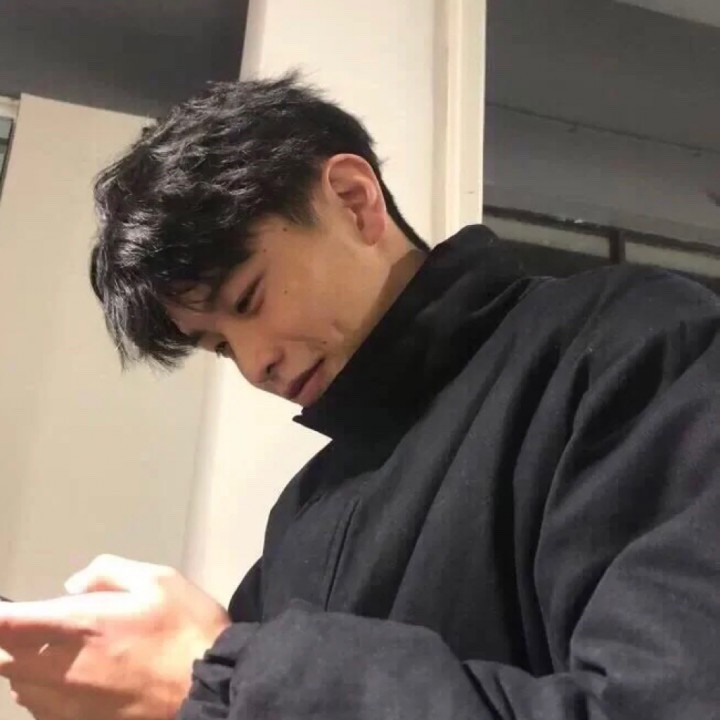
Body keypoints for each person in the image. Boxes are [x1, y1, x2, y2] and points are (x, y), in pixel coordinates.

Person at [1, 73, 720, 720]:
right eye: (218, 346)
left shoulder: (631, 341)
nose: (255, 365)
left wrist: (224, 684)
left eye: (248, 300)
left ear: (352, 199)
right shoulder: (301, 514)